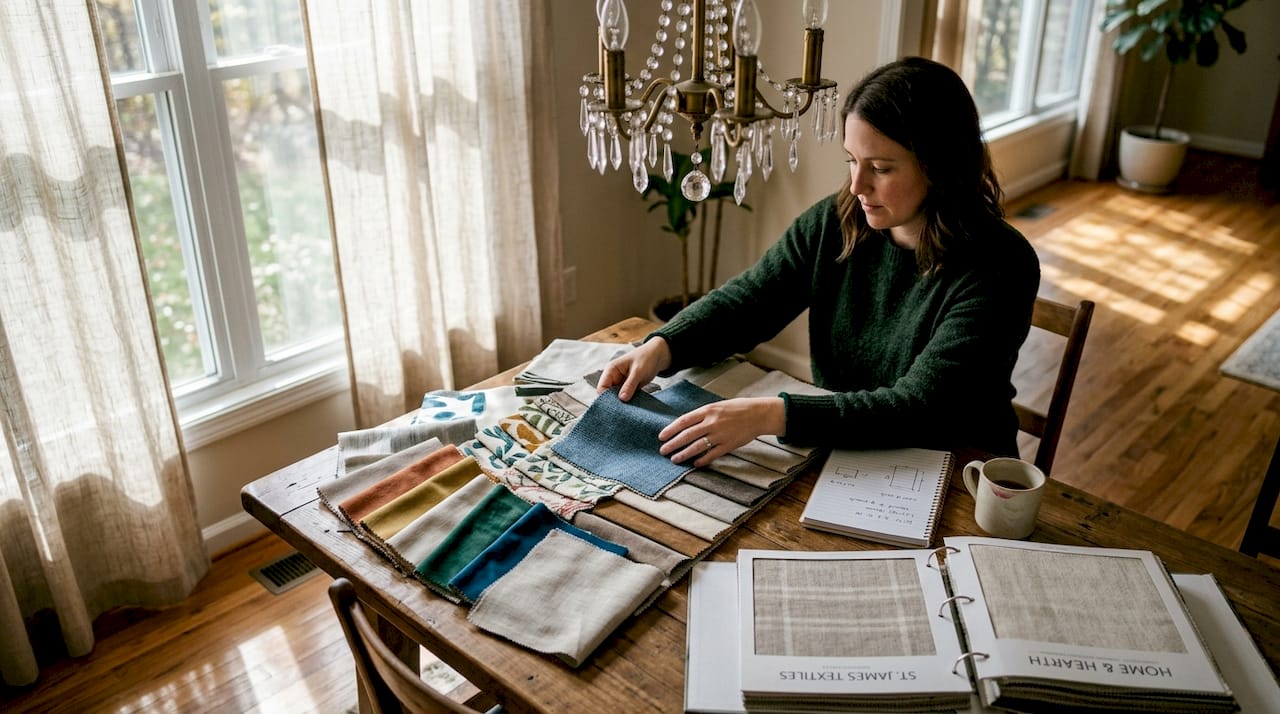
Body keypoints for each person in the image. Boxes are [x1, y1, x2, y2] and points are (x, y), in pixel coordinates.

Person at [598, 56, 1040, 467]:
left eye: (881, 168)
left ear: (940, 165)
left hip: (958, 462)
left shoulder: (1002, 266)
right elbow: (752, 299)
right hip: (851, 449)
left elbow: (921, 406)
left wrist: (770, 415)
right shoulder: (839, 220)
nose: (858, 185)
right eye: (851, 160)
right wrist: (663, 346)